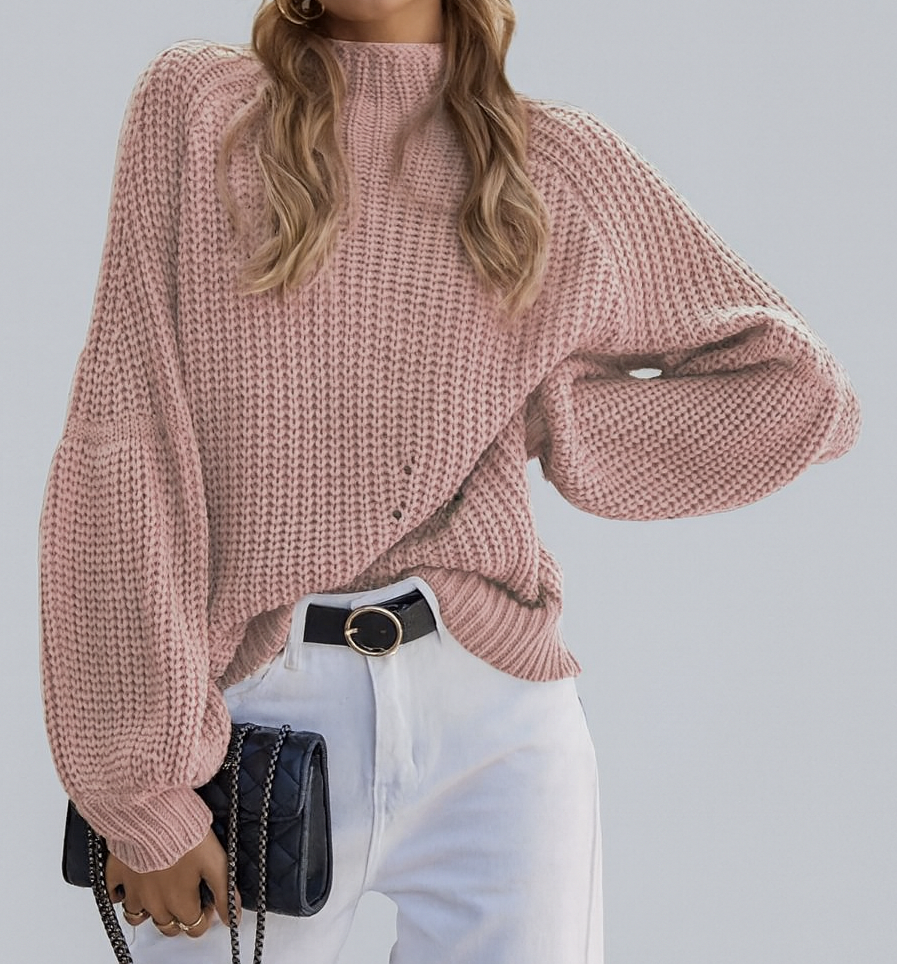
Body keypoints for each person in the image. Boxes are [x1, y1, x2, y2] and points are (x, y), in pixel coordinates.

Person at [37, 1, 862, 963]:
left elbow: (803, 390)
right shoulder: (200, 111)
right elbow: (123, 442)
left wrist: (547, 412)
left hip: (494, 723)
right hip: (254, 721)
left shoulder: (548, 166)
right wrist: (140, 796)